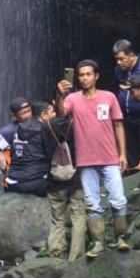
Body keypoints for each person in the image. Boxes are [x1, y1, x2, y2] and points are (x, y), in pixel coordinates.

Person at [56, 59, 130, 258]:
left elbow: (118, 125)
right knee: (92, 203)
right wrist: (60, 94)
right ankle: (98, 243)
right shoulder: (73, 98)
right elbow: (61, 113)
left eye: (88, 74)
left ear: (96, 76)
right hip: (86, 160)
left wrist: (122, 153)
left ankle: (121, 237)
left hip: (110, 157)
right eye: (81, 75)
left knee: (118, 199)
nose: (84, 78)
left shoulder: (109, 97)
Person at [33, 100, 86, 261]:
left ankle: (56, 255)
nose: (54, 113)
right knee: (78, 216)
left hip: (55, 179)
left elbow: (42, 152)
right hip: (76, 178)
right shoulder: (77, 125)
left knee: (58, 220)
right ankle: (76, 257)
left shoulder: (45, 127)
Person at [4, 102, 55, 197]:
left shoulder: (17, 128)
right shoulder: (45, 130)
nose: (54, 115)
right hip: (35, 184)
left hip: (12, 182)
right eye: (52, 112)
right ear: (43, 115)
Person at [0, 98, 33, 188]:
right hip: (15, 179)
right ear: (14, 116)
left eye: (29, 111)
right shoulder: (9, 131)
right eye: (23, 113)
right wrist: (4, 169)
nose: (28, 115)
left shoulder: (35, 125)